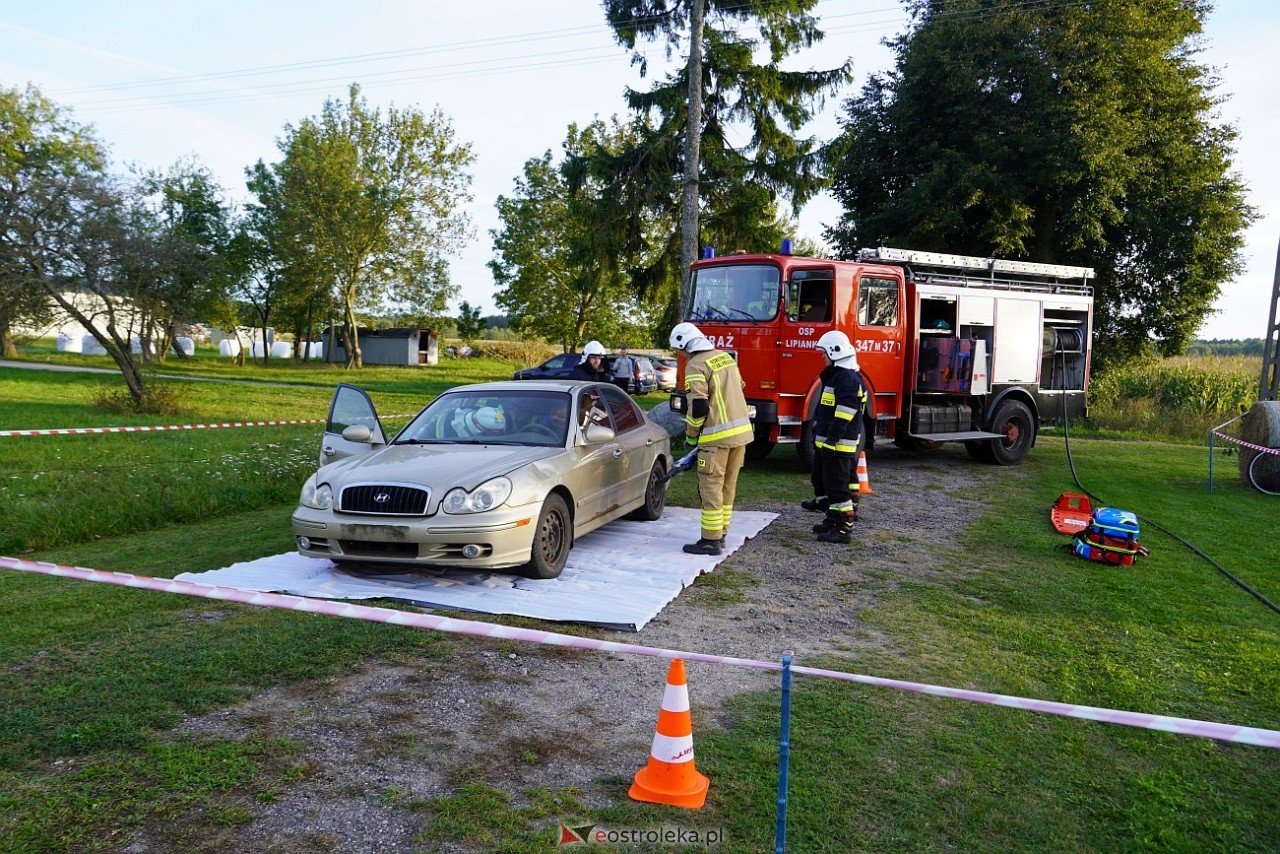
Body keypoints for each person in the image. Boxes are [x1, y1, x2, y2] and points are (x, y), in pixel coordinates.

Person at [670, 321, 753, 555]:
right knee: (728, 486)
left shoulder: (696, 364)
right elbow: (740, 387)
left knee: (711, 488)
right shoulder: (726, 358)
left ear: (685, 344)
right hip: (741, 435)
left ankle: (710, 541)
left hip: (715, 438)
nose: (681, 354)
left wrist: (691, 436)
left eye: (680, 349)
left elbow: (698, 406)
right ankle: (722, 533)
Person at [803, 330, 869, 544]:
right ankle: (833, 518)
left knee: (837, 486)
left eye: (824, 353)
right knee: (829, 480)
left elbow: (845, 413)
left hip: (838, 445)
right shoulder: (840, 375)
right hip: (832, 442)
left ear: (835, 352)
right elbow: (830, 408)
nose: (823, 357)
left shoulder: (846, 378)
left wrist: (831, 440)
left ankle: (843, 528)